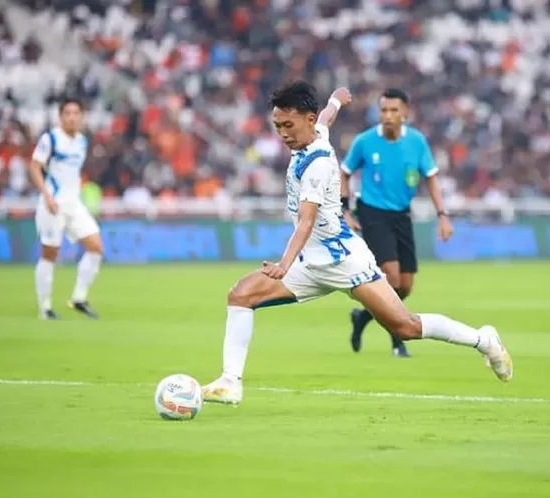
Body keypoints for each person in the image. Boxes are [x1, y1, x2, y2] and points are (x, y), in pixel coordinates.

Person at [201, 81, 512, 405]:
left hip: (345, 261)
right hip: (311, 264)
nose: (282, 133)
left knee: (405, 326)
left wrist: (283, 265)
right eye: (278, 126)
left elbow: (306, 222)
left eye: (288, 125)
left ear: (306, 120)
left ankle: (483, 340)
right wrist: (337, 98)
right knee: (241, 295)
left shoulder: (318, 164)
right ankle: (229, 382)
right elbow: (327, 116)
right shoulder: (315, 132)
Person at [340, 88, 453, 357]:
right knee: (389, 277)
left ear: (405, 113)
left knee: (404, 286)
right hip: (372, 214)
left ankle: (362, 318)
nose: (388, 115)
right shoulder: (365, 142)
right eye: (383, 110)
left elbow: (431, 179)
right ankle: (397, 339)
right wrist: (345, 211)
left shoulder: (416, 142)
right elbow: (343, 173)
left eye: (393, 110)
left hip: (402, 215)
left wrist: (443, 216)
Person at [29, 98, 103, 320]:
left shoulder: (82, 141)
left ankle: (79, 298)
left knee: (96, 247)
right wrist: (47, 195)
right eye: (67, 113)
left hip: (74, 203)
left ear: (81, 117)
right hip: (53, 204)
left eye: (76, 113)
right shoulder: (50, 138)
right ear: (60, 117)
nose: (72, 117)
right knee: (50, 254)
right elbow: (34, 167)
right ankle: (45, 308)